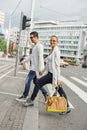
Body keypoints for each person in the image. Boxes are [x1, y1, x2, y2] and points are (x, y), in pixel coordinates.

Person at [23, 35, 71, 114]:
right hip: (50, 74)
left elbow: (57, 66)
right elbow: (48, 63)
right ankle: (32, 99)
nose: (52, 42)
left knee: (58, 89)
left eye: (54, 41)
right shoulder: (52, 50)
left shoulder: (56, 51)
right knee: (40, 83)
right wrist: (43, 70)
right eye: (51, 40)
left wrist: (59, 78)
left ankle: (31, 100)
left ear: (57, 42)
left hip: (54, 75)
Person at [16, 31, 48, 102]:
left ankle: (25, 95)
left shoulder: (40, 46)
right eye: (30, 37)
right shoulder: (34, 47)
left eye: (31, 37)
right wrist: (22, 61)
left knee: (28, 80)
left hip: (36, 69)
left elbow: (40, 58)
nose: (31, 39)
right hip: (34, 68)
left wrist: (40, 70)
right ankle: (46, 94)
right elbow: (30, 57)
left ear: (36, 37)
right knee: (37, 83)